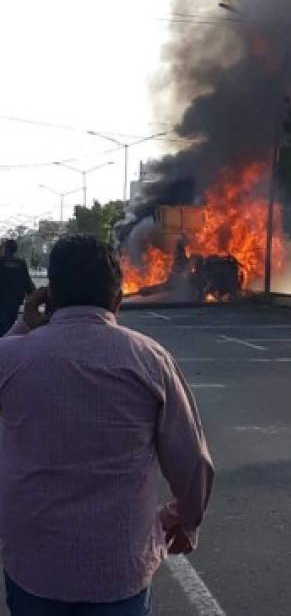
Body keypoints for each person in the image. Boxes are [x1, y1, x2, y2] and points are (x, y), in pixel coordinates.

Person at [0, 234, 214, 616]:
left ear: (49, 297)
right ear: (117, 300)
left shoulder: (12, 356)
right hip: (119, 569)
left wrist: (22, 326)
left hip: (33, 563)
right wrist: (186, 518)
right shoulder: (150, 359)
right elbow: (193, 460)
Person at [0, 238, 35, 336]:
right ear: (15, 250)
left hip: (2, 302)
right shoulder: (21, 263)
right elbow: (27, 282)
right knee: (10, 327)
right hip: (14, 302)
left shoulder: (1, 262)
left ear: (5, 249)